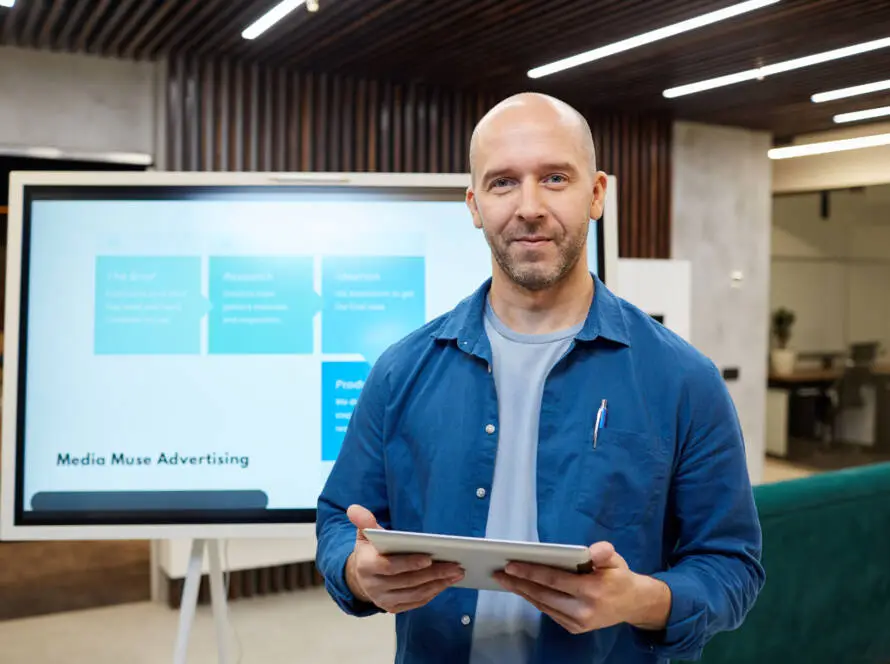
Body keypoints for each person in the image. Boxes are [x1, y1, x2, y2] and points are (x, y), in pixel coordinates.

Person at [315, 92, 765, 664]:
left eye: (555, 178)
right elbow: (337, 519)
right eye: (503, 183)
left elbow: (731, 565)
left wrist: (639, 600)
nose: (529, 206)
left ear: (596, 193)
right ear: (475, 205)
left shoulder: (683, 379)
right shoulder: (401, 369)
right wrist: (356, 571)